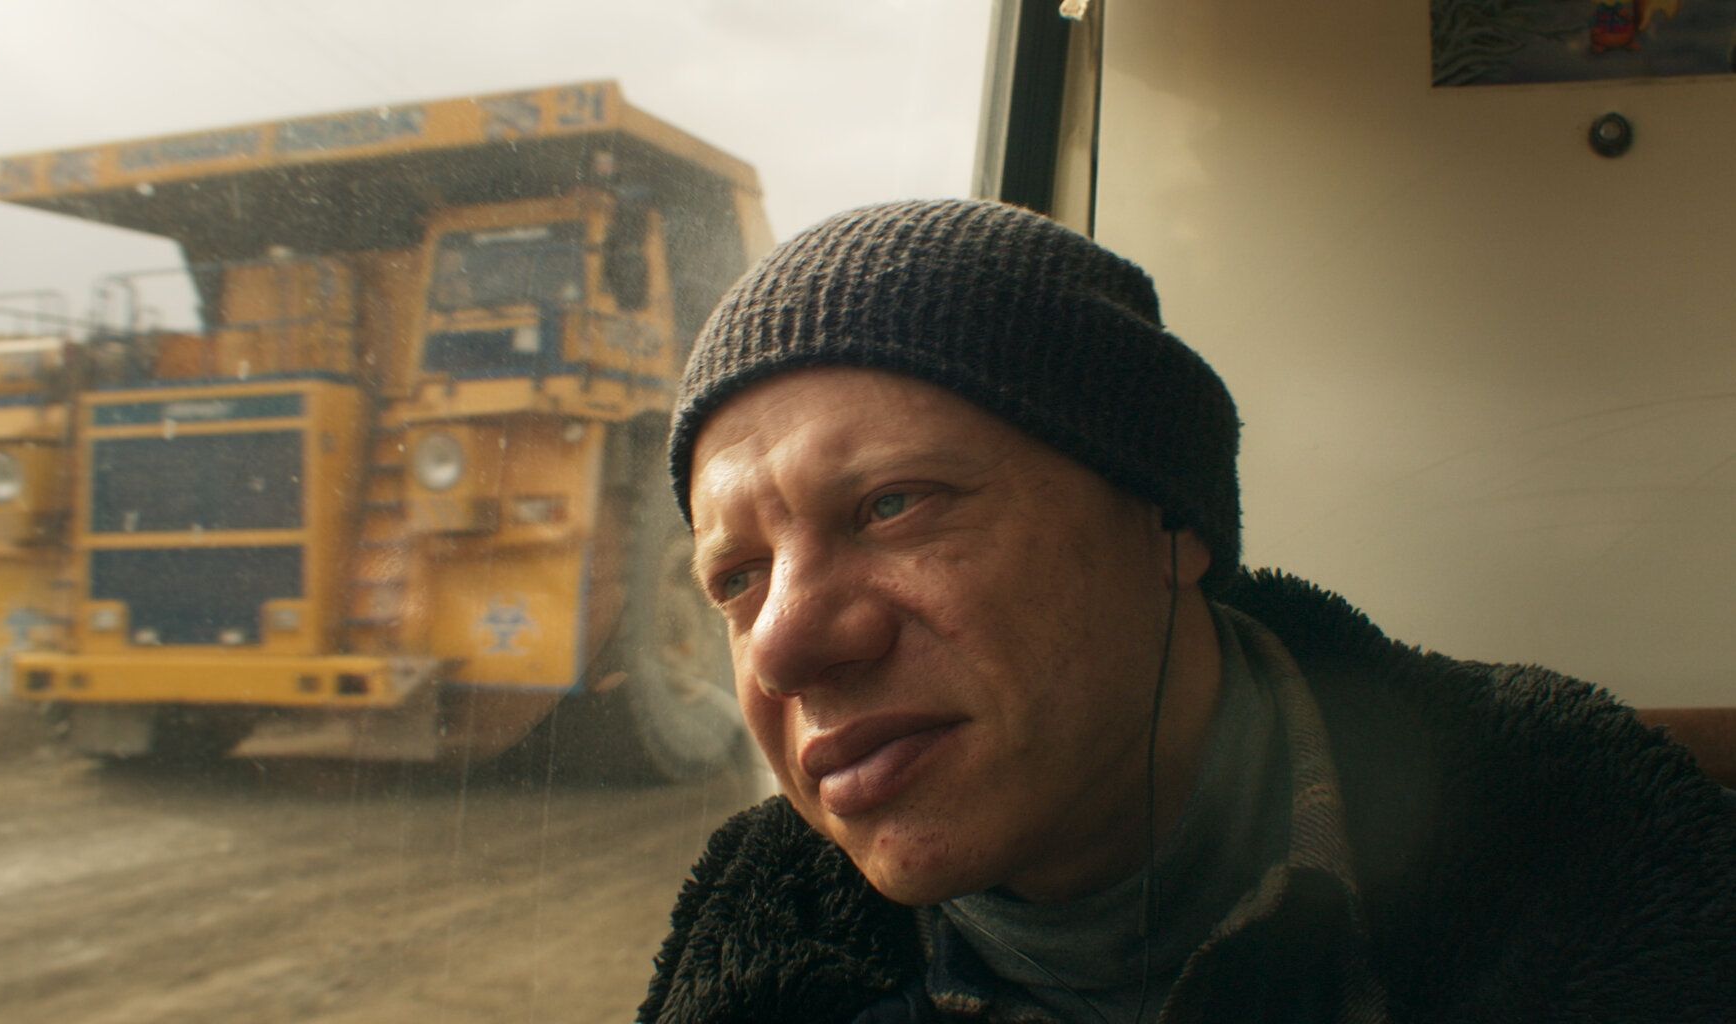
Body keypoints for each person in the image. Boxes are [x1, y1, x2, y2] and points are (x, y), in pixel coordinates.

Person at [636, 199, 1735, 1024]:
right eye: (735, 579)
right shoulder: (752, 953)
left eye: (892, 504)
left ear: (1168, 517)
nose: (782, 645)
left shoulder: (1594, 850)